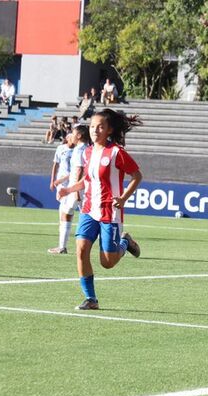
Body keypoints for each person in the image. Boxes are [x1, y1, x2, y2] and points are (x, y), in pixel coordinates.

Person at [58, 108, 143, 310]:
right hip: (89, 209)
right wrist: (68, 189)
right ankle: (91, 299)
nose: (95, 130)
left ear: (109, 129)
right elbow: (87, 180)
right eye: (93, 126)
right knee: (81, 250)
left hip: (109, 211)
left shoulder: (116, 152)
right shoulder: (87, 152)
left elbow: (137, 176)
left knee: (108, 262)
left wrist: (122, 198)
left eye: (100, 126)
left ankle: (125, 242)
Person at [47, 133, 75, 254]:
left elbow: (77, 171)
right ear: (67, 138)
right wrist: (53, 180)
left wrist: (60, 180)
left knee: (66, 213)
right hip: (62, 185)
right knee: (63, 214)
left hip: (73, 184)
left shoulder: (79, 150)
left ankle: (62, 246)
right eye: (71, 136)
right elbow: (55, 164)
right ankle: (61, 245)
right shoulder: (60, 148)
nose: (73, 138)